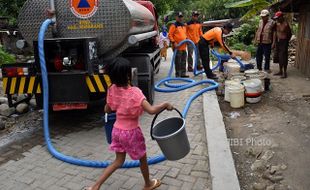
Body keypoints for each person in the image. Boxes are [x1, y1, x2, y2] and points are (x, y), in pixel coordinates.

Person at [85, 58, 173, 190]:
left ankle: (95, 186)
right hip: (131, 132)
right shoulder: (135, 93)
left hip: (116, 131)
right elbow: (151, 110)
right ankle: (148, 184)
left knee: (118, 161)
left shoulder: (112, 89)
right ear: (127, 75)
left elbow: (107, 109)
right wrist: (165, 105)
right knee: (142, 158)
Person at [168, 12, 188, 78]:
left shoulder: (183, 25)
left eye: (181, 17)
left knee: (184, 60)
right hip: (177, 47)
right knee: (178, 61)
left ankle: (183, 74)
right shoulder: (174, 25)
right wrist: (174, 42)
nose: (180, 18)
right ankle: (178, 74)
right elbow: (170, 35)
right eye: (179, 17)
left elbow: (185, 34)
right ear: (176, 17)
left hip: (184, 47)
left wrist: (187, 39)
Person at [273, 11, 292, 78]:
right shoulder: (277, 23)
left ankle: (285, 72)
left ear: (281, 17)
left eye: (278, 18)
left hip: (284, 42)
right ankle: (280, 71)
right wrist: (274, 43)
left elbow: (289, 34)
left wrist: (286, 41)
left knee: (283, 57)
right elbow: (275, 33)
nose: (277, 19)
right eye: (276, 18)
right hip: (278, 41)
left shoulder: (286, 25)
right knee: (279, 57)